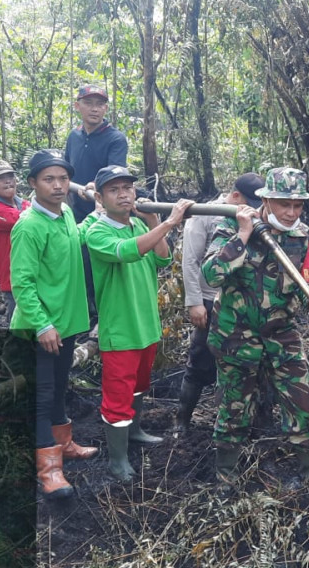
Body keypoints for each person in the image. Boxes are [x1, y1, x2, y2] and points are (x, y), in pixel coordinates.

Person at [202, 167, 309, 491]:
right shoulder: (232, 224)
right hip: (235, 335)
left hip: (280, 334)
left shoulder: (305, 236)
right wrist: (243, 236)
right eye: (283, 204)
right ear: (266, 200)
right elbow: (211, 273)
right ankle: (225, 477)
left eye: (297, 205)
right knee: (235, 410)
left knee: (305, 405)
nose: (291, 213)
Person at [78, 165, 194, 482]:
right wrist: (170, 222)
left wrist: (155, 221)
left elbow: (162, 259)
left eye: (128, 188)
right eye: (114, 190)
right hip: (120, 331)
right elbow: (128, 253)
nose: (124, 194)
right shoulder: (96, 232)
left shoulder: (136, 227)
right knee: (117, 399)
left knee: (139, 386)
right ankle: (117, 460)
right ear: (100, 197)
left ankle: (136, 431)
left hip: (146, 326)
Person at [10, 149, 96, 500]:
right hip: (38, 329)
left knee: (60, 387)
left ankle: (65, 445)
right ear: (33, 183)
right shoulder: (29, 226)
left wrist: (100, 214)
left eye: (63, 178)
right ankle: (49, 471)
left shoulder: (65, 215)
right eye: (49, 179)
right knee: (42, 397)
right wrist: (43, 325)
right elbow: (22, 283)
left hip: (67, 323)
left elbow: (77, 238)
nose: (58, 185)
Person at [175, 172, 264, 432]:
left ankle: (240, 422)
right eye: (248, 204)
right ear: (236, 196)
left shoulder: (254, 217)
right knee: (200, 359)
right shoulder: (205, 214)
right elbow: (190, 261)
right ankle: (181, 420)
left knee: (244, 364)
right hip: (209, 299)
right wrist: (194, 302)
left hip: (244, 303)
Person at [64, 84, 129, 320]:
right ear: (77, 106)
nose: (95, 109)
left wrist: (95, 185)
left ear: (106, 108)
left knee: (99, 261)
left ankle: (103, 314)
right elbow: (66, 169)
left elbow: (116, 173)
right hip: (75, 211)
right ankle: (84, 310)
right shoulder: (74, 136)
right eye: (89, 103)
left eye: (100, 104)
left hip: (104, 213)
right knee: (77, 259)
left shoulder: (115, 138)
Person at [0, 159, 30, 321]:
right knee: (20, 331)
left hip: (36, 276)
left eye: (10, 176)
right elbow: (28, 220)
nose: (8, 181)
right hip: (14, 281)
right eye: (1, 178)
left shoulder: (25, 204)